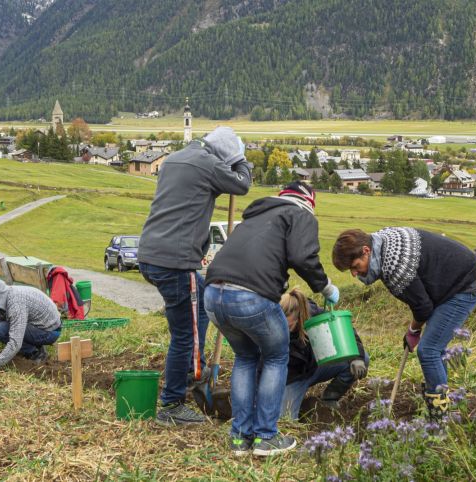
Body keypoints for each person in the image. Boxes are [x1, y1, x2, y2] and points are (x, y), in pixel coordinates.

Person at [205, 181, 339, 457]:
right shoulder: (300, 214)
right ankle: (266, 437)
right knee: (277, 357)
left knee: (245, 358)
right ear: (309, 202)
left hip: (214, 295)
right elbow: (303, 256)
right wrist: (326, 287)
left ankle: (240, 438)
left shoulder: (254, 217)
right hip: (250, 297)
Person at [138, 126, 252, 426]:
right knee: (184, 333)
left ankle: (192, 368)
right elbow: (243, 185)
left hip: (150, 254)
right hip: (175, 262)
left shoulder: (174, 159)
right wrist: (240, 159)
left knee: (200, 300)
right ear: (224, 153)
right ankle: (172, 404)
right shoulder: (209, 164)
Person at [332, 227, 476, 420]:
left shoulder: (394, 267)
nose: (354, 274)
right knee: (434, 348)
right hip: (447, 280)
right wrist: (415, 329)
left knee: (428, 350)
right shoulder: (379, 241)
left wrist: (413, 330)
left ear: (366, 251)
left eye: (355, 266)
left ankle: (440, 418)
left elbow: (423, 308)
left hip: (464, 284)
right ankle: (438, 398)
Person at [279, 288, 368, 420]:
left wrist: (358, 358)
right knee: (285, 420)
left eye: (286, 322)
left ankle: (329, 398)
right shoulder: (271, 325)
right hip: (291, 379)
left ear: (297, 315)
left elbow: (344, 330)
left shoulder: (312, 313)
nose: (282, 326)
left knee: (360, 358)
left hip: (315, 367)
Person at [0, 275, 62, 369]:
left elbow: (15, 342)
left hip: (50, 331)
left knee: (0, 329)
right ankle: (35, 348)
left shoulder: (15, 303)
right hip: (39, 326)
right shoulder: (4, 299)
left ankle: (36, 353)